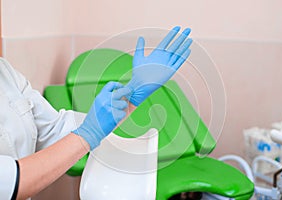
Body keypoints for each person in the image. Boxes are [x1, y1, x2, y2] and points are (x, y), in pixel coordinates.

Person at [0, 26, 192, 200]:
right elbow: (11, 183)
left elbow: (55, 131)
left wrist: (132, 94)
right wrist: (87, 134)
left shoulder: (5, 72)